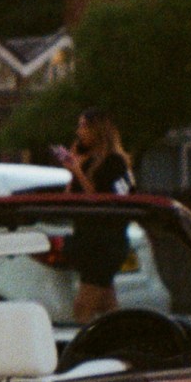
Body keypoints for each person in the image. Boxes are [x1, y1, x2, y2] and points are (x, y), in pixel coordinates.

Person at [56, 109, 135, 323]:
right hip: (87, 239)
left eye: (83, 126)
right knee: (107, 305)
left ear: (97, 129)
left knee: (83, 308)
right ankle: (121, 343)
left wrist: (79, 172)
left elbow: (102, 199)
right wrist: (73, 170)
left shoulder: (114, 162)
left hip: (106, 242)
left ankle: (86, 352)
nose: (78, 131)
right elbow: (71, 196)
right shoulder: (87, 160)